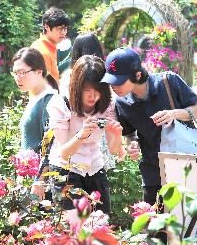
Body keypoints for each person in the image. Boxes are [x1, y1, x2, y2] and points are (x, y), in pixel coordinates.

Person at [100, 47, 197, 208]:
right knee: (157, 231)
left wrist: (174, 114)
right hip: (152, 175)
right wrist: (132, 144)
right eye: (111, 81)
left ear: (138, 75)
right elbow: (130, 134)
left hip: (185, 168)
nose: (114, 86)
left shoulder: (169, 82)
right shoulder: (122, 103)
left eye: (119, 81)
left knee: (189, 228)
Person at [47, 55, 123, 219]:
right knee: (75, 230)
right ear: (77, 87)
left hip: (95, 167)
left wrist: (117, 135)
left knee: (102, 225)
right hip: (66, 171)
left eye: (98, 90)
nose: (93, 96)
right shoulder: (61, 103)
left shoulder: (108, 103)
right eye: (87, 90)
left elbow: (113, 148)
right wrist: (81, 135)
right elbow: (64, 153)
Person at [59, 32, 122, 170]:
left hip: (81, 144)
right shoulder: (104, 75)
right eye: (87, 89)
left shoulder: (68, 77)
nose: (92, 95)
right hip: (96, 141)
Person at [12, 47, 58, 154]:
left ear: (39, 72)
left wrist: (41, 170)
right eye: (15, 73)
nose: (18, 78)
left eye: (22, 72)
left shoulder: (49, 100)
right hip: (29, 168)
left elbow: (51, 144)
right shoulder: (36, 97)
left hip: (41, 169)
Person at [31, 6, 70, 85]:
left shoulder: (49, 47)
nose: (63, 32)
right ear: (47, 27)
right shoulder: (43, 52)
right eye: (59, 29)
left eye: (65, 28)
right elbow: (45, 85)